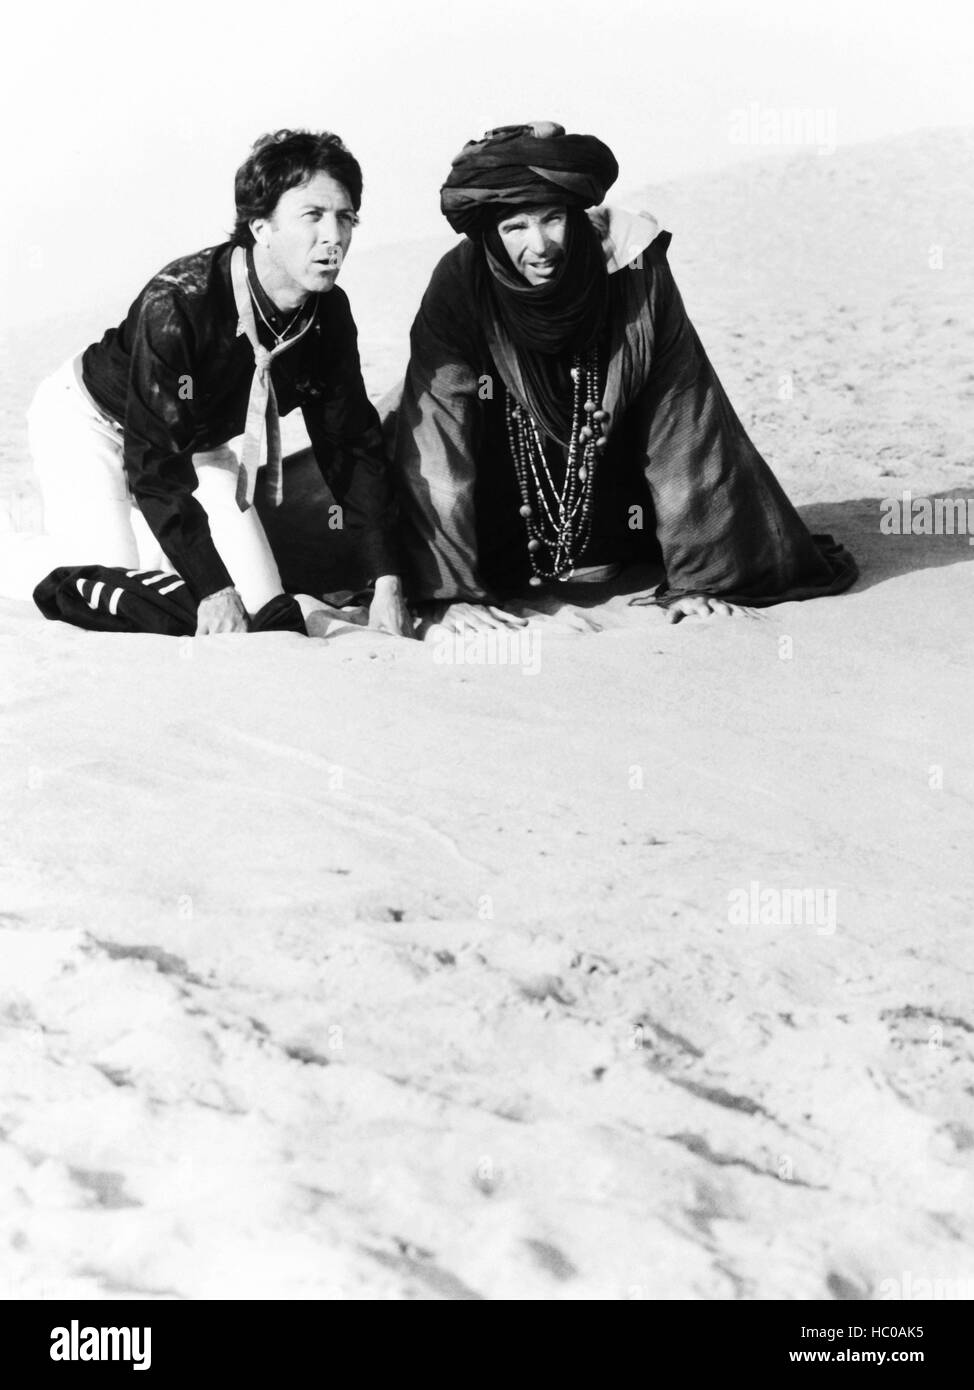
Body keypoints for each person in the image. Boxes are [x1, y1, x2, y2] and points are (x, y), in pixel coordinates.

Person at [389, 121, 857, 631]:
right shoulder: (460, 283)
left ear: (577, 213)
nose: (541, 244)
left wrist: (703, 576)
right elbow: (439, 441)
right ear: (491, 239)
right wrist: (448, 592)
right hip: (502, 491)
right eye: (515, 228)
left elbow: (683, 421)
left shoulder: (633, 267)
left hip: (616, 484)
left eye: (552, 218)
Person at [26, 129, 410, 636]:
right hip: (91, 424)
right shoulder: (180, 301)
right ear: (261, 226)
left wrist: (386, 579)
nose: (334, 237)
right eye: (312, 216)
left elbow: (351, 447)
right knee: (121, 608)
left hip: (195, 447)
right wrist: (212, 588)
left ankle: (159, 547)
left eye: (345, 218)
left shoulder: (327, 315)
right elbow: (154, 465)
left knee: (269, 615)